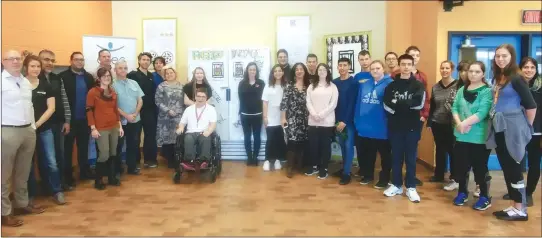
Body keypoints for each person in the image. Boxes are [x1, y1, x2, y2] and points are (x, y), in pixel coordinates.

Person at [488, 44, 536, 221]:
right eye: (498, 56)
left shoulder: (517, 78)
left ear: (511, 57)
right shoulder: (499, 77)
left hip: (513, 127)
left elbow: (531, 105)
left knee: (514, 168)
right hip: (499, 126)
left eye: (504, 56)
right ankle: (514, 206)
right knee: (507, 167)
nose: (500, 59)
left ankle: (521, 208)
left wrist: (526, 129)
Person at [2, 50, 43, 227]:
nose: (16, 61)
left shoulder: (25, 81)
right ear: (3, 62)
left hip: (28, 130)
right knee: (3, 175)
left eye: (18, 58)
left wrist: (32, 126)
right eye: (11, 59)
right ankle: (4, 213)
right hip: (8, 131)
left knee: (23, 172)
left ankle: (21, 204)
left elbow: (30, 106)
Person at [383, 54, 425, 203]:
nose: (406, 67)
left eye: (409, 64)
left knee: (411, 158)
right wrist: (406, 104)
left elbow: (418, 104)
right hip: (395, 127)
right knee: (396, 157)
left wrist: (399, 104)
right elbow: (387, 105)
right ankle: (396, 184)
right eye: (403, 64)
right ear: (399, 66)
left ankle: (411, 187)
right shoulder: (391, 85)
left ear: (412, 66)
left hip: (412, 127)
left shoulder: (418, 85)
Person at [24, 55, 66, 205]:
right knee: (27, 164)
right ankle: (29, 196)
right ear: (26, 68)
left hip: (44, 129)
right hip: (24, 131)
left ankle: (57, 191)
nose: (35, 69)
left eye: (37, 66)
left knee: (51, 161)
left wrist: (36, 124)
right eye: (32, 66)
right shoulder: (20, 84)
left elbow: (51, 108)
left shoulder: (45, 85)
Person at [451, 61, 492, 210]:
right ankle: (462, 192)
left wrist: (465, 123)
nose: (473, 74)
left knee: (480, 168)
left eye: (477, 72)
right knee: (461, 167)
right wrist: (459, 123)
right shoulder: (462, 89)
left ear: (483, 74)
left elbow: (482, 112)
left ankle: (485, 196)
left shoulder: (487, 91)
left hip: (478, 136)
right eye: (471, 71)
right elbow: (454, 107)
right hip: (461, 135)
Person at [501, 56, 541, 207]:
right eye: (526, 67)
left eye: (532, 67)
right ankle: (516, 192)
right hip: (516, 128)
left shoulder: (540, 86)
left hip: (536, 130)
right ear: (520, 69)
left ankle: (528, 193)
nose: (529, 70)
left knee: (534, 162)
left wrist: (531, 126)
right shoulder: (515, 83)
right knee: (515, 161)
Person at [58, 52, 95, 186]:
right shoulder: (62, 77)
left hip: (85, 120)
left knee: (83, 147)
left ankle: (84, 172)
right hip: (69, 120)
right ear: (71, 61)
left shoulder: (89, 77)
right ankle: (67, 177)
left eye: (82, 60)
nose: (80, 62)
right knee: (67, 149)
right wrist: (65, 120)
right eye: (77, 60)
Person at [355, 60, 393, 188]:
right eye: (372, 69)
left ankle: (385, 178)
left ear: (383, 69)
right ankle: (368, 175)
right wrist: (357, 120)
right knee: (368, 153)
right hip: (365, 126)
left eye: (378, 68)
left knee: (385, 155)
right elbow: (358, 103)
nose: (375, 71)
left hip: (383, 127)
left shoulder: (390, 84)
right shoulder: (364, 84)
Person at [37, 50, 72, 191]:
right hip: (41, 125)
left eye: (52, 60)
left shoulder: (57, 78)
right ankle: (47, 186)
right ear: (39, 61)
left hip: (58, 123)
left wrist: (67, 120)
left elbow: (64, 100)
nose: (50, 63)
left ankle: (59, 183)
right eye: (46, 59)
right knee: (44, 156)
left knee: (59, 154)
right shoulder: (33, 78)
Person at [87, 68, 124, 190]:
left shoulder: (113, 92)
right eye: (104, 76)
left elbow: (115, 110)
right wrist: (93, 128)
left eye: (108, 76)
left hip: (113, 126)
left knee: (113, 153)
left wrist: (120, 125)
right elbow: (89, 111)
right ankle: (98, 180)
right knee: (104, 154)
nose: (106, 78)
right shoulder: (93, 92)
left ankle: (112, 178)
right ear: (99, 78)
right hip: (101, 128)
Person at [305, 63, 338, 179]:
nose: (322, 71)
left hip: (327, 121)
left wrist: (322, 114)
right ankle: (314, 166)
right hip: (313, 120)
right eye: (320, 70)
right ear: (317, 72)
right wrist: (314, 114)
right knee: (313, 145)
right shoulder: (311, 86)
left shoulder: (333, 87)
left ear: (328, 72)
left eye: (324, 69)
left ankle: (324, 168)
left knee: (325, 146)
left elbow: (333, 104)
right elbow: (308, 101)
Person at [427, 61, 458, 183]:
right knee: (440, 149)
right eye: (442, 68)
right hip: (437, 122)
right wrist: (429, 122)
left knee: (453, 150)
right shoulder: (435, 87)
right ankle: (439, 175)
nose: (444, 70)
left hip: (453, 123)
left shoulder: (458, 85)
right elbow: (433, 106)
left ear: (452, 70)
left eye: (447, 68)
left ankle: (454, 175)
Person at [113, 60, 144, 176]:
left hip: (135, 120)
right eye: (120, 68)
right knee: (118, 146)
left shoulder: (134, 83)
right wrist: (126, 115)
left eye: (125, 68)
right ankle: (117, 168)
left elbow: (140, 100)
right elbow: (113, 105)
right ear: (115, 70)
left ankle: (132, 167)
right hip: (120, 121)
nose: (123, 70)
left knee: (133, 144)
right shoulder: (112, 85)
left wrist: (135, 114)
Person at [128, 52, 158, 168]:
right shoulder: (132, 75)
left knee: (150, 135)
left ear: (150, 62)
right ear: (139, 61)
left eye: (148, 60)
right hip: (136, 110)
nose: (146, 61)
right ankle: (135, 161)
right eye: (143, 59)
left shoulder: (151, 76)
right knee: (135, 136)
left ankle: (149, 159)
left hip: (149, 110)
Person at [281, 63, 310, 178]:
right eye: (297, 69)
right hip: (292, 119)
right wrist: (283, 118)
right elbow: (283, 103)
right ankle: (290, 166)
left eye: (301, 69)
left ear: (304, 71)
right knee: (292, 142)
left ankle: (300, 165)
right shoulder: (289, 86)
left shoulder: (309, 86)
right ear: (294, 72)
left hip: (306, 118)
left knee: (303, 142)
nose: (299, 71)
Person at [406, 45, 429, 186]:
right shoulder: (396, 74)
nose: (414, 57)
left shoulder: (422, 76)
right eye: (411, 54)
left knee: (412, 147)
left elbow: (426, 97)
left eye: (416, 55)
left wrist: (424, 114)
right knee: (397, 147)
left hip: (417, 118)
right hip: (401, 118)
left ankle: (411, 176)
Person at [175, 88, 217, 167]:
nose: (200, 98)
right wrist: (181, 128)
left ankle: (204, 162)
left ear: (206, 98)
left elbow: (213, 124)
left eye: (203, 97)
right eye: (198, 96)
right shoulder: (188, 109)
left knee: (205, 138)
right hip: (191, 132)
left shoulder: (211, 109)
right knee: (188, 139)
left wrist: (208, 131)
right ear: (195, 97)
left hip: (204, 132)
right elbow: (182, 123)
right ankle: (189, 162)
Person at [332, 58, 358, 184]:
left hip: (349, 121)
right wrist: (336, 121)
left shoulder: (353, 82)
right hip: (337, 120)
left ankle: (347, 174)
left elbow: (353, 103)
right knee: (342, 144)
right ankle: (344, 169)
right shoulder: (334, 82)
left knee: (348, 146)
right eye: (340, 65)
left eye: (344, 65)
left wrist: (345, 121)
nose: (342, 67)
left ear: (349, 67)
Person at [155, 66, 184, 168]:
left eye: (171, 73)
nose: (169, 75)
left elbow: (184, 101)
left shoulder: (182, 86)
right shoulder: (161, 86)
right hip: (165, 117)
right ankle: (170, 160)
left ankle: (178, 159)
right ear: (164, 75)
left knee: (177, 137)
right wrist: (168, 110)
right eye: (167, 73)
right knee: (166, 138)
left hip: (179, 116)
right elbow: (157, 101)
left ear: (175, 73)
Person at [238, 62, 265, 166]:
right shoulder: (242, 83)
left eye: (254, 69)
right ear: (247, 71)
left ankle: (255, 157)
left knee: (257, 136)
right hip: (245, 114)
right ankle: (249, 157)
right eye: (250, 69)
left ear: (256, 71)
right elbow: (240, 98)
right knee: (247, 136)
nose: (252, 71)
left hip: (258, 114)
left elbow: (264, 99)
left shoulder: (261, 83)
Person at [262, 64, 287, 171]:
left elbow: (286, 104)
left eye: (279, 71)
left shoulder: (285, 86)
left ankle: (277, 160)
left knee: (279, 139)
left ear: (282, 73)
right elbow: (265, 102)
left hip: (281, 118)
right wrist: (265, 116)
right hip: (270, 118)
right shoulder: (268, 86)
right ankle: (267, 160)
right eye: (275, 71)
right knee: (270, 140)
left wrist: (284, 118)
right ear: (273, 73)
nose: (277, 73)